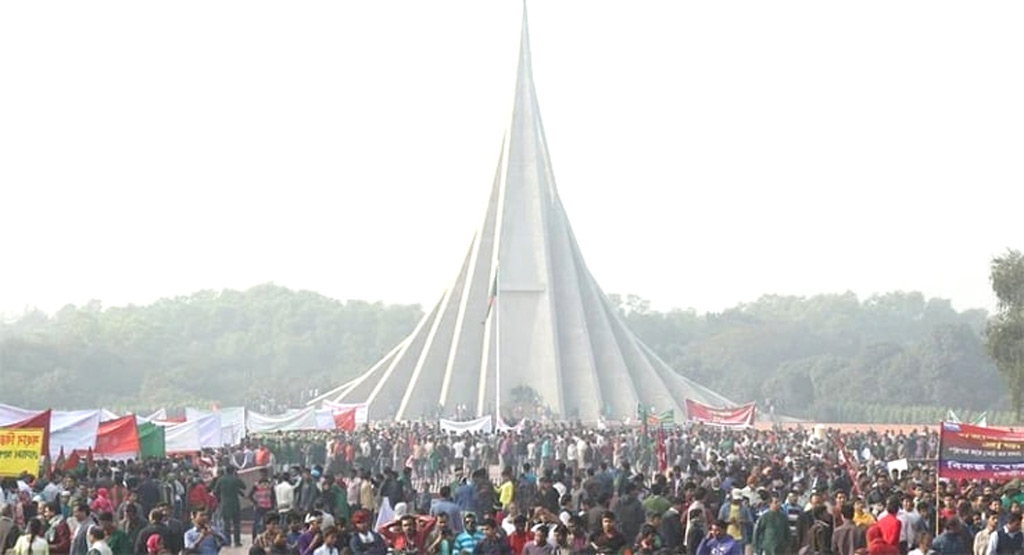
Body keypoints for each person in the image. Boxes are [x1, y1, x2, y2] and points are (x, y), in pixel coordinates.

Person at [213, 467, 246, 548]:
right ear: (233, 471)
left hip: (225, 504)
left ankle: (227, 541)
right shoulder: (235, 479)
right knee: (236, 524)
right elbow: (244, 486)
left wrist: (220, 498)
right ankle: (237, 541)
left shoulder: (221, 480)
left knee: (226, 524)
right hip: (235, 504)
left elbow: (215, 491)